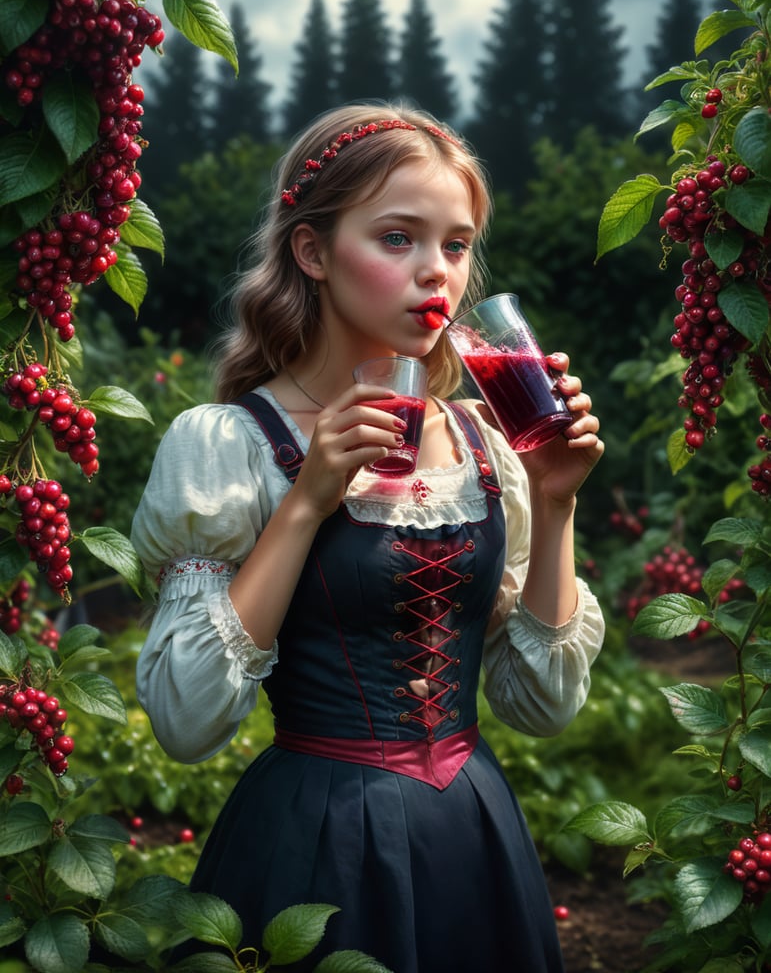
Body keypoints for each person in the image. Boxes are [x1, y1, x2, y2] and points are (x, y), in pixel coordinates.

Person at [131, 101, 605, 973]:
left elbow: (543, 708)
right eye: (397, 238)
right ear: (312, 251)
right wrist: (307, 501)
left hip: (472, 836)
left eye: (455, 245)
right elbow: (185, 720)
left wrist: (557, 500)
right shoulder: (229, 444)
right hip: (316, 845)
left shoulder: (485, 443)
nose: (437, 274)